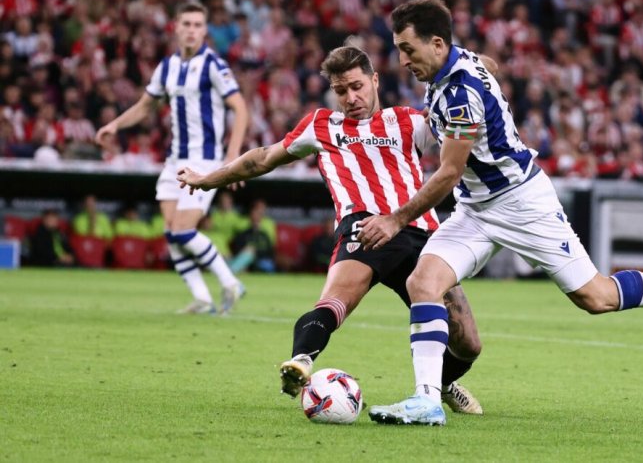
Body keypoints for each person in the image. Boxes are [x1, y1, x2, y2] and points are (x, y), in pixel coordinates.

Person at [359, 0, 643, 426]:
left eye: (408, 49)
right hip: (477, 209)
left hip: (522, 204)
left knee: (596, 297)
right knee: (424, 282)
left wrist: (396, 219)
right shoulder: (454, 64)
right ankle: (426, 401)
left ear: (437, 44)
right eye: (399, 48)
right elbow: (488, 63)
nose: (402, 60)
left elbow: (449, 173)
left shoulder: (458, 94)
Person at [177, 45, 485, 415]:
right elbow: (262, 158)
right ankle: (301, 363)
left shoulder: (409, 121)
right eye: (341, 91)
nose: (351, 98)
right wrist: (209, 179)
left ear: (374, 80)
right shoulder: (320, 125)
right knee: (336, 300)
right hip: (363, 229)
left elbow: (460, 142)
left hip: (418, 229)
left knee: (467, 342)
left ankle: (443, 384)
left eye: (357, 86)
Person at [95, 2, 247, 315]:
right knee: (170, 231)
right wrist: (114, 124)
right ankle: (203, 298)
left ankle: (230, 282)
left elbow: (241, 108)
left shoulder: (213, 65)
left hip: (204, 160)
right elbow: (144, 106)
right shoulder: (167, 67)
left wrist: (233, 159)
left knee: (182, 231)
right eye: (186, 24)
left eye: (197, 25)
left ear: (204, 31)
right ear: (176, 28)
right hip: (174, 160)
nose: (191, 30)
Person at [228, 199, 277, 273]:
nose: (255, 218)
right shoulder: (244, 233)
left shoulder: (264, 235)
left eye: (257, 216)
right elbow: (237, 249)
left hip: (262, 260)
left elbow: (270, 252)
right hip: (246, 260)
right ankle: (231, 270)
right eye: (253, 216)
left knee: (251, 252)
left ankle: (230, 271)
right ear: (250, 217)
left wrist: (255, 252)